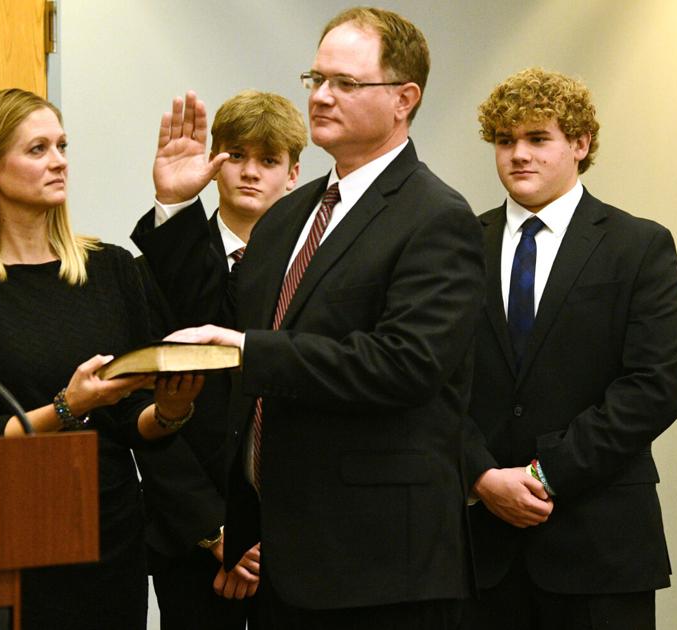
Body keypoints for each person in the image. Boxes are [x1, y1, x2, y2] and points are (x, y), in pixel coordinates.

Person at [158, 7, 483, 627]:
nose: (321, 96)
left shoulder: (435, 216)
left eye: (345, 83)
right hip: (280, 550)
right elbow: (222, 323)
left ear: (404, 99)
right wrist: (176, 210)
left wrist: (254, 351)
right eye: (316, 78)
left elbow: (404, 365)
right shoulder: (291, 213)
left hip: (379, 565)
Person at [0, 88, 202, 630]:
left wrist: (170, 409)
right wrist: (66, 408)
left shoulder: (111, 270)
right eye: (38, 149)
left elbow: (128, 421)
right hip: (10, 530)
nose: (59, 162)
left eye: (63, 146)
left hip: (109, 525)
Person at [461, 68, 677, 630]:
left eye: (537, 138)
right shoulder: (457, 243)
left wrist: (543, 475)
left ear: (579, 144)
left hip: (599, 544)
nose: (519, 155)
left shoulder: (639, 246)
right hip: (476, 549)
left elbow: (652, 388)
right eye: (505, 140)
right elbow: (429, 378)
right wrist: (481, 477)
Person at [131, 89, 307, 629]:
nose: (250, 172)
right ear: (215, 162)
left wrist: (263, 534)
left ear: (294, 174)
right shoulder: (156, 267)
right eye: (236, 156)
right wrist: (219, 530)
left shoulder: (318, 270)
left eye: (268, 160)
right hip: (192, 535)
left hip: (296, 541)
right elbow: (144, 406)